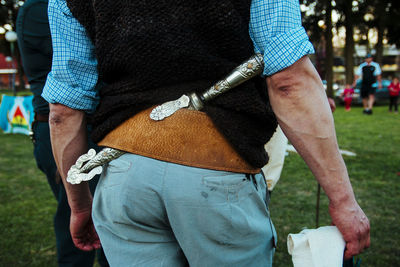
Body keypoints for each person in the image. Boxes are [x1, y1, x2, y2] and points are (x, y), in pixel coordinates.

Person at [43, 0, 370, 266]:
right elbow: (289, 80)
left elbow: (63, 112)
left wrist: (80, 205)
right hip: (216, 170)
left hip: (124, 179)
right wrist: (343, 202)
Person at [16, 0, 108, 266]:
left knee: (102, 225)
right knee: (83, 224)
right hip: (72, 130)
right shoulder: (44, 8)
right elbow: (78, 75)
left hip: (66, 127)